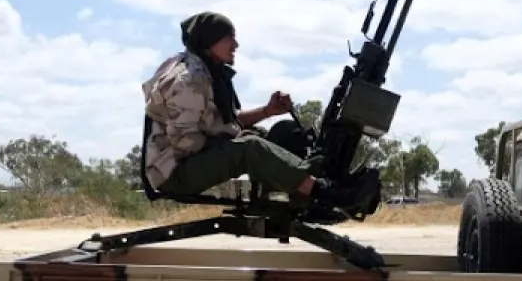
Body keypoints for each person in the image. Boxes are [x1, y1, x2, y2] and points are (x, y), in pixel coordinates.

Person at [141, 12, 378, 214]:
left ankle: (315, 189)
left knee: (282, 133)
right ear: (210, 42)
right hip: (175, 174)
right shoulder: (189, 80)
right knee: (251, 148)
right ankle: (328, 194)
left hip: (188, 163)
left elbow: (222, 122)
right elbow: (185, 143)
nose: (236, 45)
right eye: (229, 38)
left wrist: (268, 111)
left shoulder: (206, 71)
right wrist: (235, 140)